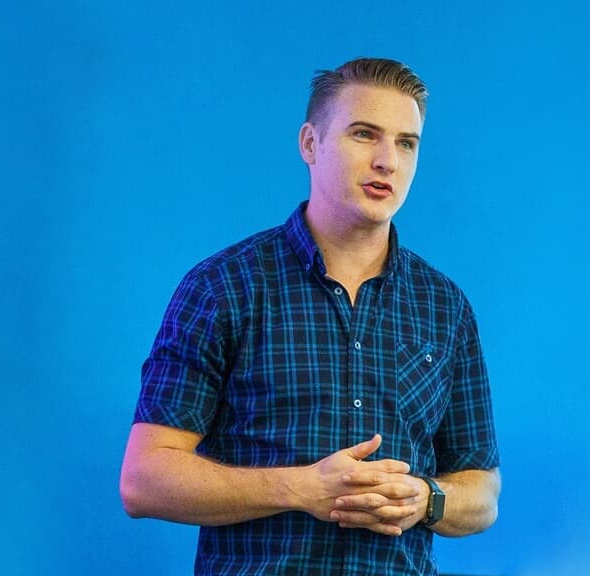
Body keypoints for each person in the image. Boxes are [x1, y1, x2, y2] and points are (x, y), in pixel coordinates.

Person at [119, 57, 501, 575]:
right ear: (310, 144)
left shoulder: (444, 306)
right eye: (365, 134)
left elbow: (483, 491)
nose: (388, 160)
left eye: (406, 142)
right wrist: (301, 488)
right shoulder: (223, 287)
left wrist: (424, 497)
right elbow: (144, 479)